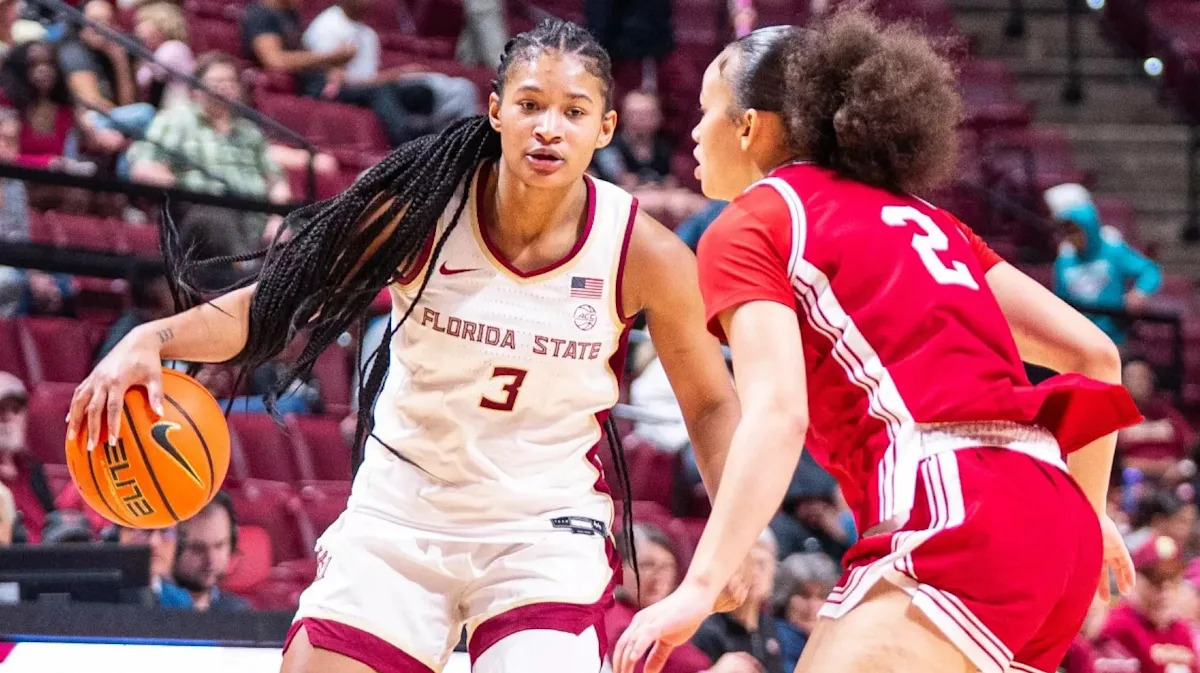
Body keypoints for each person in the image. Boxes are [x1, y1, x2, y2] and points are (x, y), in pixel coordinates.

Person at [67, 19, 743, 673]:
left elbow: (711, 403)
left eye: (574, 111)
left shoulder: (644, 253)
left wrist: (733, 534)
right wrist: (152, 338)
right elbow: (277, 299)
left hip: (542, 524)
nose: (549, 127)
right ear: (496, 111)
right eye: (531, 104)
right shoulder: (424, 208)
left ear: (605, 127)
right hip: (404, 507)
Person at [614, 12, 1141, 673]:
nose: (693, 132)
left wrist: (701, 583)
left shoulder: (755, 220)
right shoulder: (929, 218)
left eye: (705, 110)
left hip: (951, 512)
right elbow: (1095, 355)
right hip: (1052, 519)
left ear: (747, 126)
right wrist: (1088, 515)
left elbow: (778, 414)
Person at [1047, 182, 1162, 347]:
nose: (1071, 238)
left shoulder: (1113, 250)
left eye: (1075, 231)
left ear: (1088, 226)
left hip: (1113, 339)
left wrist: (1140, 292)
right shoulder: (1064, 260)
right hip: (1078, 340)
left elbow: (1149, 270)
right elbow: (1060, 300)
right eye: (1066, 232)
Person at [1097, 535, 1200, 673]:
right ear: (1135, 580)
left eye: (1172, 579)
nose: (1165, 589)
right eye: (1156, 579)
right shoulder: (1116, 626)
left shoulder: (1182, 630)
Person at [691, 529, 784, 673]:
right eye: (746, 565)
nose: (753, 573)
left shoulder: (772, 626)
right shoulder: (706, 631)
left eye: (761, 564)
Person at [172, 493, 251, 612]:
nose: (211, 560)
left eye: (219, 546)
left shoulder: (239, 611)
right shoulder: (147, 608)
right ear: (172, 546)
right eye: (198, 548)